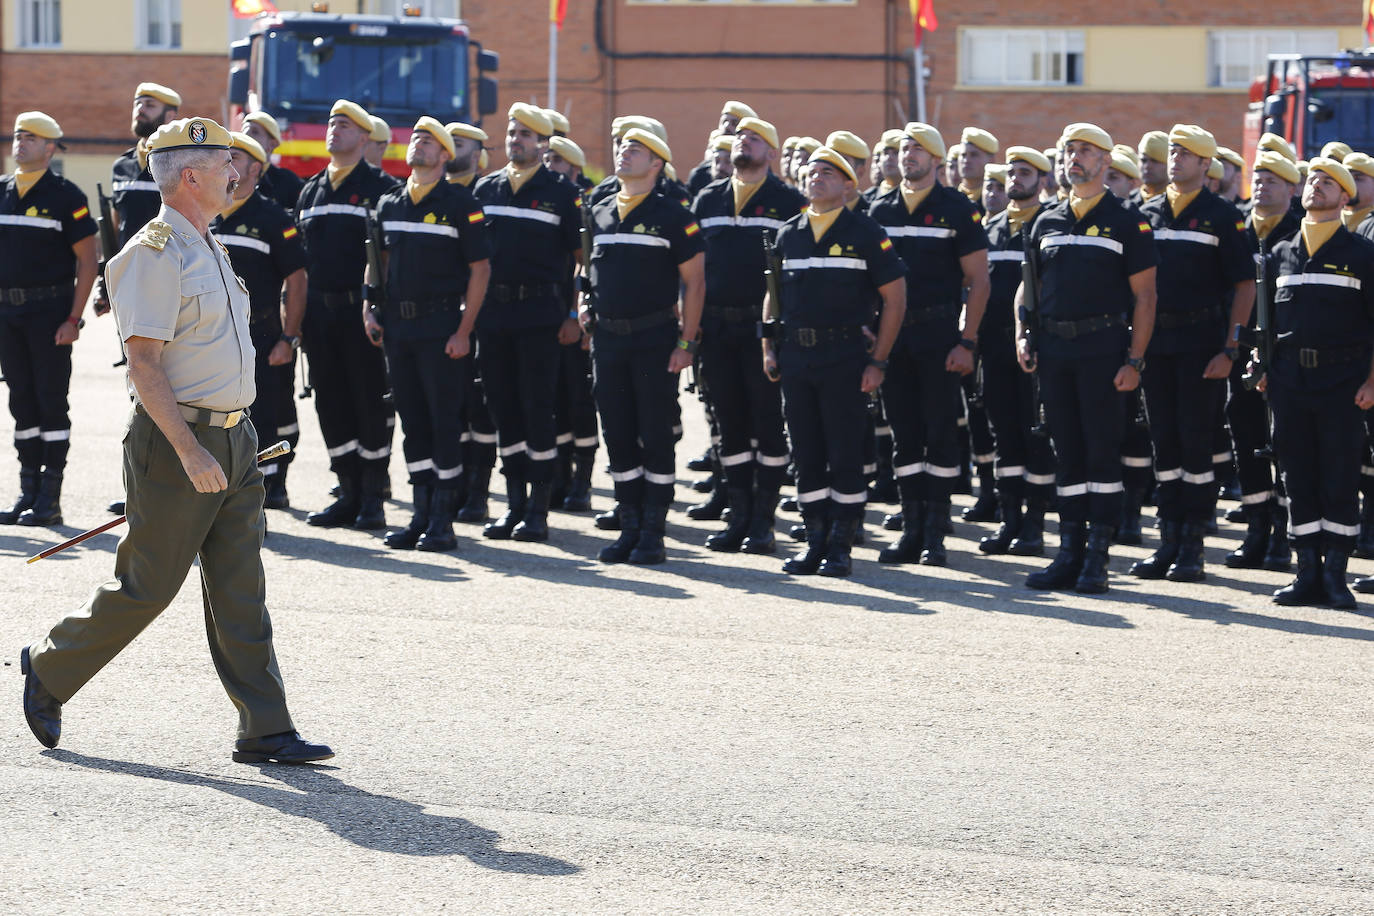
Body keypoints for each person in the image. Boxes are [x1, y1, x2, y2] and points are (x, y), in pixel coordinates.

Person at [20, 116, 332, 764]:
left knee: (241, 588)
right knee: (148, 586)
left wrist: (233, 437)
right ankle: (49, 668)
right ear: (191, 175)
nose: (237, 173)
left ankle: (265, 727)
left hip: (235, 438)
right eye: (225, 164)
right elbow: (144, 364)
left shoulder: (209, 245)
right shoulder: (152, 254)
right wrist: (190, 450)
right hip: (177, 442)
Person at [1015, 123, 1157, 594]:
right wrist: (1022, 334)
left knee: (1101, 454)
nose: (1074, 158)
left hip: (1103, 350)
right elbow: (1028, 286)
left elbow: (1146, 296)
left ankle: (1098, 557)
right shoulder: (1047, 220)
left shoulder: (1127, 220)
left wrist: (1135, 361)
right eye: (1069, 150)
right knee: (1067, 454)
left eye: (1085, 151)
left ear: (1105, 161)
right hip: (1055, 351)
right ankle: (1068, 552)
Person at [765, 146, 906, 577]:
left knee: (843, 452)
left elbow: (895, 298)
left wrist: (878, 361)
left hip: (844, 356)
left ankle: (841, 545)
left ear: (848, 185)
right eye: (812, 171)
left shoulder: (865, 231)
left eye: (828, 172)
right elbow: (773, 296)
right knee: (806, 452)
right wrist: (768, 347)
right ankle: (815, 541)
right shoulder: (789, 233)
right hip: (796, 356)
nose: (817, 177)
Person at [1131, 125, 1253, 583]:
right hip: (1156, 345)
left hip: (1202, 345)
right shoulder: (1146, 212)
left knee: (1195, 444)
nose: (1176, 159)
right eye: (1173, 151)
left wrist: (1230, 348)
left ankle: (1193, 546)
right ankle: (1168, 539)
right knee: (1164, 442)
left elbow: (1245, 286)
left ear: (1206, 165)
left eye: (1186, 154)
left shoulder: (1222, 215)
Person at [580, 128, 705, 565]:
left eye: (635, 149)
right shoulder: (598, 211)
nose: (623, 153)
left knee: (654, 433)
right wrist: (582, 306)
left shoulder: (673, 215)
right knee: (617, 433)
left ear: (656, 164)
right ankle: (629, 525)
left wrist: (687, 342)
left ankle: (653, 532)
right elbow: (587, 272)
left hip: (654, 339)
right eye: (622, 147)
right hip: (608, 340)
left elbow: (695, 283)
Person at [368, 117, 491, 552]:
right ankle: (419, 515)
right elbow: (377, 261)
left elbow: (480, 269)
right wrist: (369, 307)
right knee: (413, 421)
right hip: (399, 328)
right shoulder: (390, 202)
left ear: (443, 155)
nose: (418, 144)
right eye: (415, 138)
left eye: (428, 141)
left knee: (444, 422)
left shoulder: (460, 203)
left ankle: (442, 520)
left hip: (441, 328)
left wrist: (464, 330)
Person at [867, 122, 988, 566]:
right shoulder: (879, 208)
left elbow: (979, 281)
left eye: (918, 149)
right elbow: (865, 278)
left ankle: (935, 532)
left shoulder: (956, 208)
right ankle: (910, 526)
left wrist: (967, 342)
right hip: (893, 338)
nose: (908, 155)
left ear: (936, 160)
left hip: (938, 335)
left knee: (938, 432)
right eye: (904, 148)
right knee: (903, 433)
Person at [1263, 157, 1374, 609]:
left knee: (1339, 474)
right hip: (1290, 380)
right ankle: (1306, 570)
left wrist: (1372, 381)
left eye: (1330, 182)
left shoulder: (1362, 254)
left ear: (1345, 197)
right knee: (1296, 474)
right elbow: (1268, 324)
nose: (1318, 186)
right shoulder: (1281, 251)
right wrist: (1264, 369)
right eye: (1313, 179)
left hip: (1342, 381)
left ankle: (1335, 575)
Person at [691, 116, 804, 554]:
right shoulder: (708, 199)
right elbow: (691, 269)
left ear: (771, 153)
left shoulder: (788, 201)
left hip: (764, 333)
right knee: (729, 423)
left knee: (767, 423)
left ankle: (763, 520)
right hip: (716, 328)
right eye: (741, 137)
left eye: (755, 139)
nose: (744, 143)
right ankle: (737, 516)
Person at [472, 104, 582, 542]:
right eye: (512, 132)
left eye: (525, 135)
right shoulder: (487, 188)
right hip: (493, 315)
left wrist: (573, 313)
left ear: (542, 144)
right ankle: (514, 503)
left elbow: (581, 260)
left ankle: (538, 509)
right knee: (503, 407)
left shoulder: (561, 192)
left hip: (540, 315)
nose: (516, 140)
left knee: (537, 409)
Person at [295, 99, 400, 530]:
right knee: (331, 403)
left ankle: (373, 496)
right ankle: (347, 491)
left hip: (361, 315)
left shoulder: (382, 188)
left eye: (345, 125)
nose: (334, 130)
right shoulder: (311, 191)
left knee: (369, 402)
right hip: (319, 316)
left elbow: (389, 258)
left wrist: (378, 308)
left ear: (363, 137)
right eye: (332, 123)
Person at [0, 112, 98, 527]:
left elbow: (88, 261)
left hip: (49, 314)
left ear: (50, 148)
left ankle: (50, 498)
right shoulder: (3, 191)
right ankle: (27, 491)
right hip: (7, 315)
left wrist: (74, 319)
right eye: (18, 136)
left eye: (31, 138)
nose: (21, 143)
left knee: (50, 402)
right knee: (21, 402)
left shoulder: (65, 195)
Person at [209, 132, 307, 508]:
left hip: (261, 334)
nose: (227, 164)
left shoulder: (273, 217)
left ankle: (271, 483)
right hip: (215, 334)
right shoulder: (206, 211)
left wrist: (289, 337)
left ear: (255, 168)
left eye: (234, 157)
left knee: (268, 410)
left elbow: (297, 279)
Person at [977, 146, 1056, 555]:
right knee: (1003, 434)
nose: (1015, 179)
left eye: (1025, 173)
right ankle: (1009, 520)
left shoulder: (1049, 223)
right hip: (994, 347)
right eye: (1011, 172)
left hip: (1034, 348)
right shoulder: (990, 228)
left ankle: (1034, 526)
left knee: (1035, 435)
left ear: (1042, 180)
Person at [1225, 150, 1301, 572]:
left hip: (1286, 355)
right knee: (1246, 436)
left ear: (1291, 188)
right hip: (1242, 352)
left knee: (1285, 444)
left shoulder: (1300, 229)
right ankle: (1256, 528)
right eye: (1258, 178)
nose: (1261, 186)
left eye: (1272, 180)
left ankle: (1282, 535)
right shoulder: (1237, 227)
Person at [242, 111, 304, 216]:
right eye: (243, 130)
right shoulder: (230, 178)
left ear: (272, 144)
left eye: (255, 132)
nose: (246, 135)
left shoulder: (289, 182)